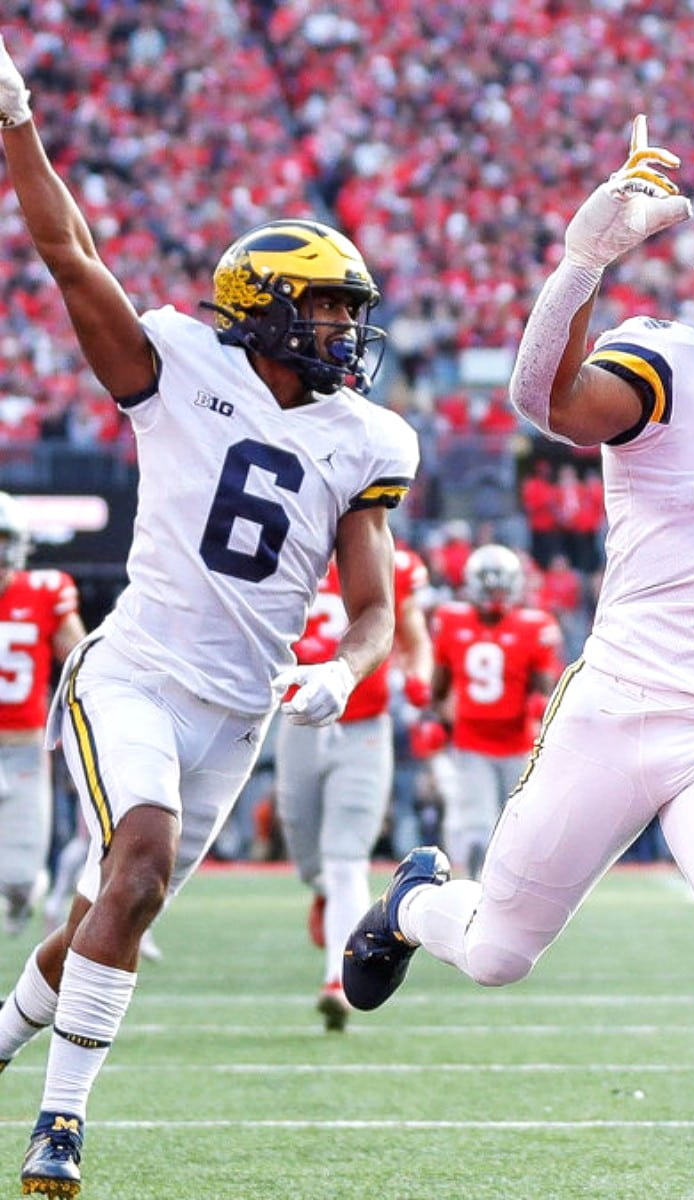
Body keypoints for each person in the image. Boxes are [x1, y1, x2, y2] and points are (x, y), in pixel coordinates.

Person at [342, 114, 694, 1200]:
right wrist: (583, 263)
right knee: (499, 951)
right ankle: (414, 903)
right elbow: (543, 401)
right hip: (618, 704)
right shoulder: (676, 363)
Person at [0, 33, 419, 1198]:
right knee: (136, 868)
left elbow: (375, 601)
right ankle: (62, 1128)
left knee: (101, 913)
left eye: (351, 313)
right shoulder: (178, 367)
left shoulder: (363, 440)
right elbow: (68, 253)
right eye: (328, 311)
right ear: (264, 309)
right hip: (131, 673)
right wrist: (16, 124)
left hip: (237, 720)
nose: (346, 333)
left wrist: (350, 665)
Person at [274, 544, 432, 1031]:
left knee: (346, 858)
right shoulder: (288, 549)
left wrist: (419, 682)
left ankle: (337, 985)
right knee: (305, 843)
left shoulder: (395, 559)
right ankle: (323, 891)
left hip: (365, 726)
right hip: (298, 720)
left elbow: (414, 637)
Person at [429, 543, 563, 876]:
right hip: (488, 743)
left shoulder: (450, 618)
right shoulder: (534, 625)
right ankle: (482, 891)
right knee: (490, 828)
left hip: (501, 742)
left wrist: (438, 713)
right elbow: (545, 688)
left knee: (502, 828)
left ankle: (493, 889)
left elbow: (438, 686)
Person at [0, 492, 86, 937]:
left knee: (18, 878)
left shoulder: (45, 591)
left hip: (24, 750)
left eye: (2, 540)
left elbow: (78, 664)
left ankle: (20, 898)